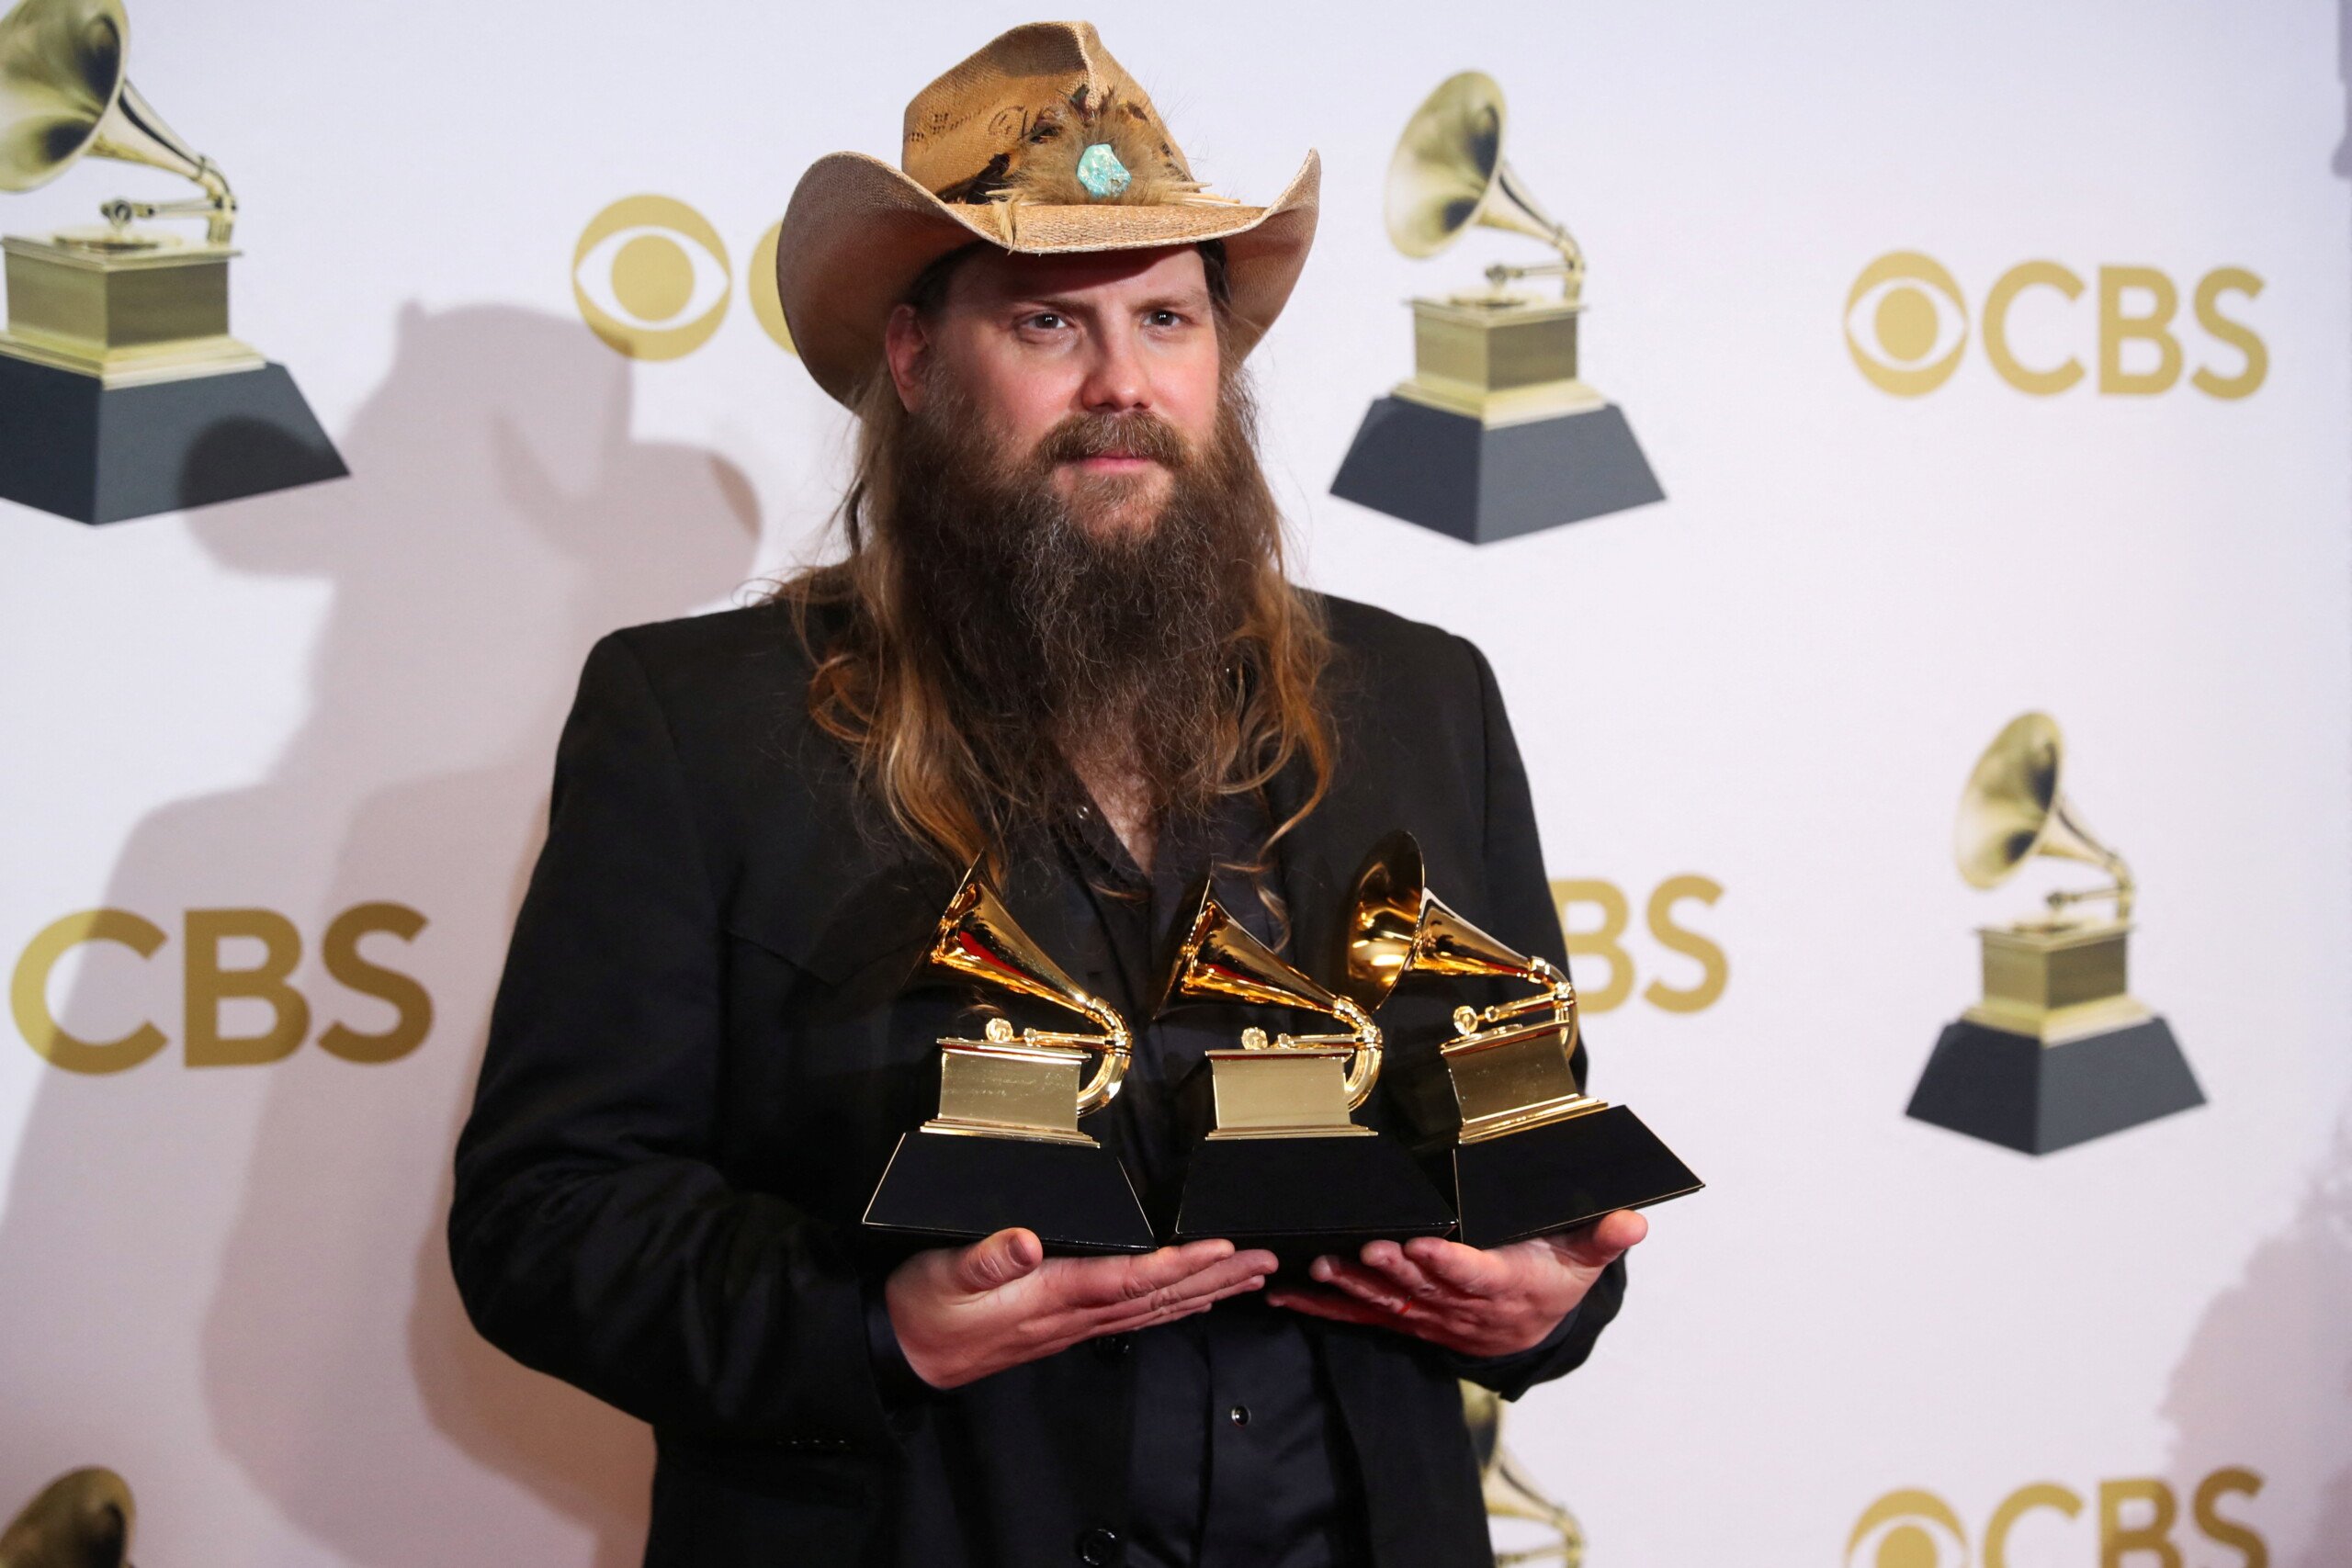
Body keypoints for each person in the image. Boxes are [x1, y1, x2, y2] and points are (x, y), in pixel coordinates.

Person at [448, 21, 1645, 1567]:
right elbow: (546, 1218)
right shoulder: (696, 721)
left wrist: (1549, 1288)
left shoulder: (1428, 698)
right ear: (916, 356)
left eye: (1166, 319)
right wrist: (876, 1326)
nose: (1121, 385)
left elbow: (1519, 1119)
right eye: (1045, 326)